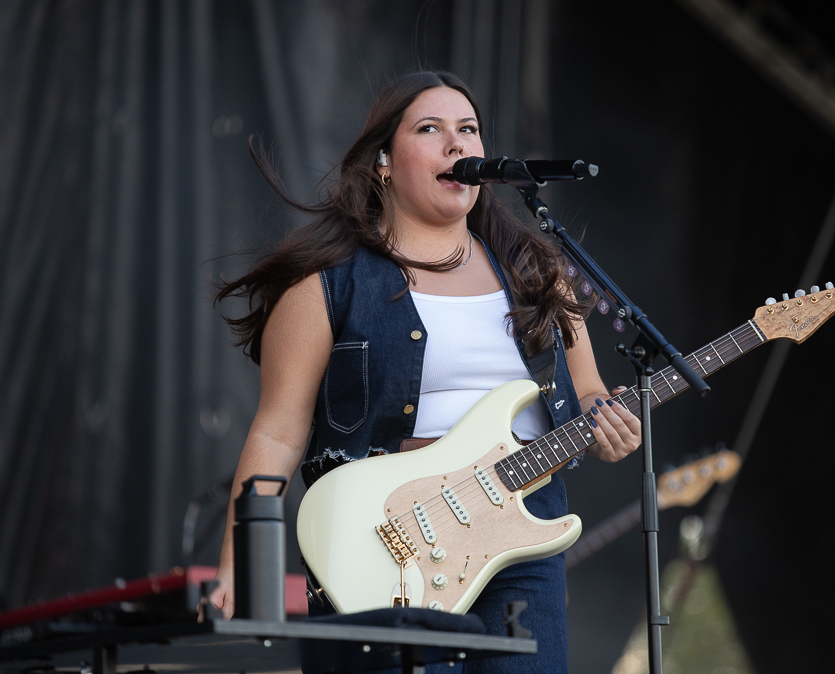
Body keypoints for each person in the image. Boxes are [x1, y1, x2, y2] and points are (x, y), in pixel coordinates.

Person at [210, 70, 641, 672]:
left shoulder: (538, 274)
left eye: (468, 129)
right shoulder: (325, 286)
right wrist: (237, 563)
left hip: (522, 535)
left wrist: (609, 423)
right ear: (384, 161)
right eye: (430, 129)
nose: (456, 143)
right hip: (388, 539)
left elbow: (587, 390)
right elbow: (277, 433)